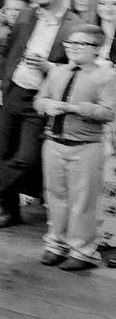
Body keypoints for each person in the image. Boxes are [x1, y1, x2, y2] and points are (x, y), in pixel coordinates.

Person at [0, 0, 82, 229]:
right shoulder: (25, 15)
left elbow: (76, 69)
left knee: (27, 157)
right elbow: (5, 49)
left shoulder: (75, 26)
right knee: (6, 153)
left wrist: (48, 67)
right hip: (14, 90)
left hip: (41, 97)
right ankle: (10, 212)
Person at [35, 24, 116, 270]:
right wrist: (45, 105)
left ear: (97, 48)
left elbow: (109, 111)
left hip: (85, 145)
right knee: (56, 195)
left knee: (83, 200)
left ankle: (81, 250)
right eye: (71, 43)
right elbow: (39, 99)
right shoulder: (58, 72)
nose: (74, 48)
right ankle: (56, 243)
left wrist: (78, 108)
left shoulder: (106, 77)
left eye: (82, 44)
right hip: (54, 141)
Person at [93, 0, 116, 264]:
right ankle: (100, 236)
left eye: (114, 3)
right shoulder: (91, 36)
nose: (108, 7)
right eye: (103, 3)